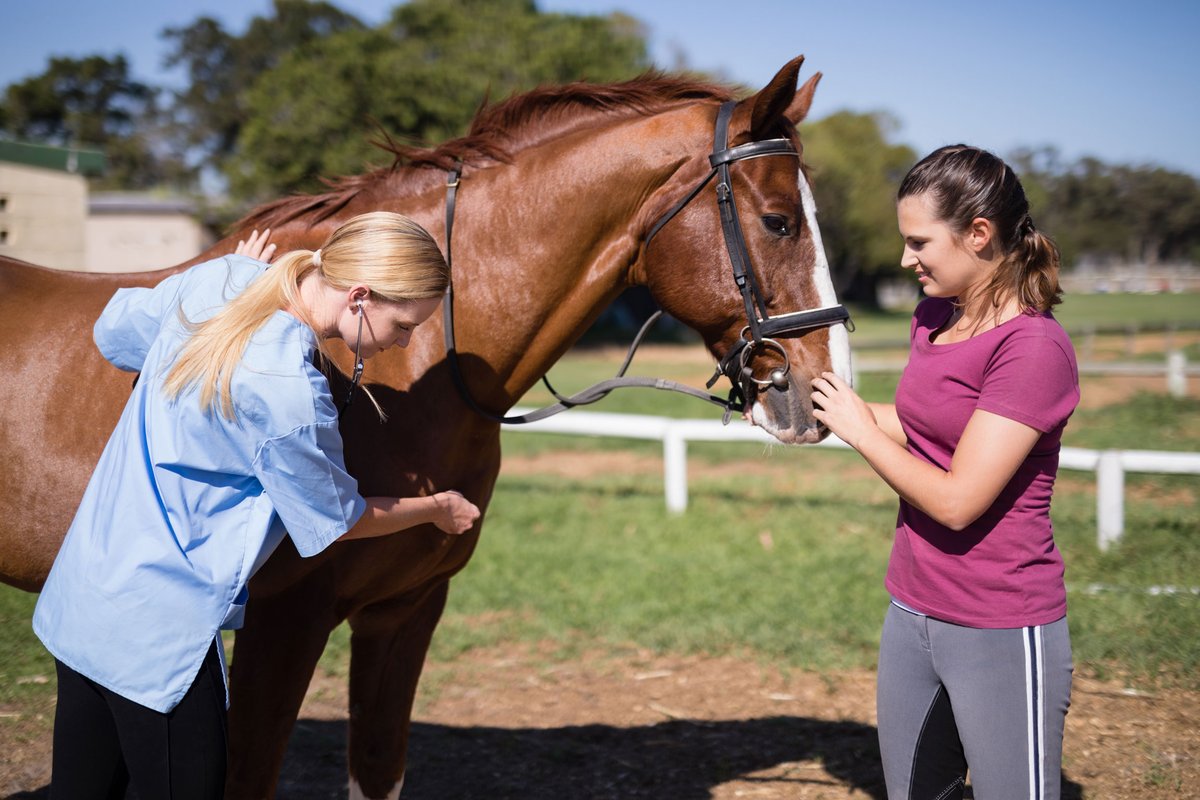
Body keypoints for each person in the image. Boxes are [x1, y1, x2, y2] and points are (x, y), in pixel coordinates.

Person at [33, 211, 481, 799]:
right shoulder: (289, 388)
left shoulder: (219, 280)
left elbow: (113, 333)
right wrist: (436, 507)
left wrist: (232, 270)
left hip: (85, 595)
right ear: (360, 296)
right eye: (402, 324)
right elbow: (335, 521)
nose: (403, 342)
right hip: (157, 630)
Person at [809, 145, 1079, 800]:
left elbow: (959, 501)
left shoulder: (1033, 349)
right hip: (912, 611)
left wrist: (859, 433)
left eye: (919, 241)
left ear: (978, 234)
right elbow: (921, 423)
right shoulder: (934, 317)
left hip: (1000, 625)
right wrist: (808, 415)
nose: (906, 260)